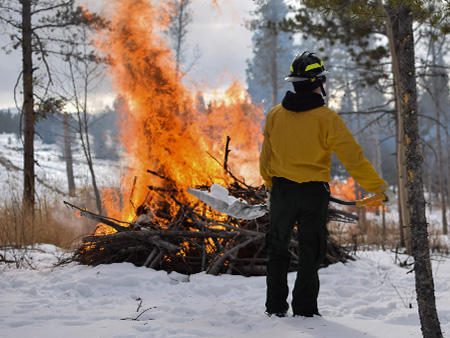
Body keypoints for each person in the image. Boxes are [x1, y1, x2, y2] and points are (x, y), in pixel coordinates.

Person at [259, 51, 393, 318]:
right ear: (317, 83)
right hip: (312, 195)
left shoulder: (275, 115)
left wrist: (270, 184)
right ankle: (305, 310)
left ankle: (275, 309)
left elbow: (266, 156)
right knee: (311, 251)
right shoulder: (327, 119)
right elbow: (353, 158)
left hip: (282, 191)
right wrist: (378, 188)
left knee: (277, 249)